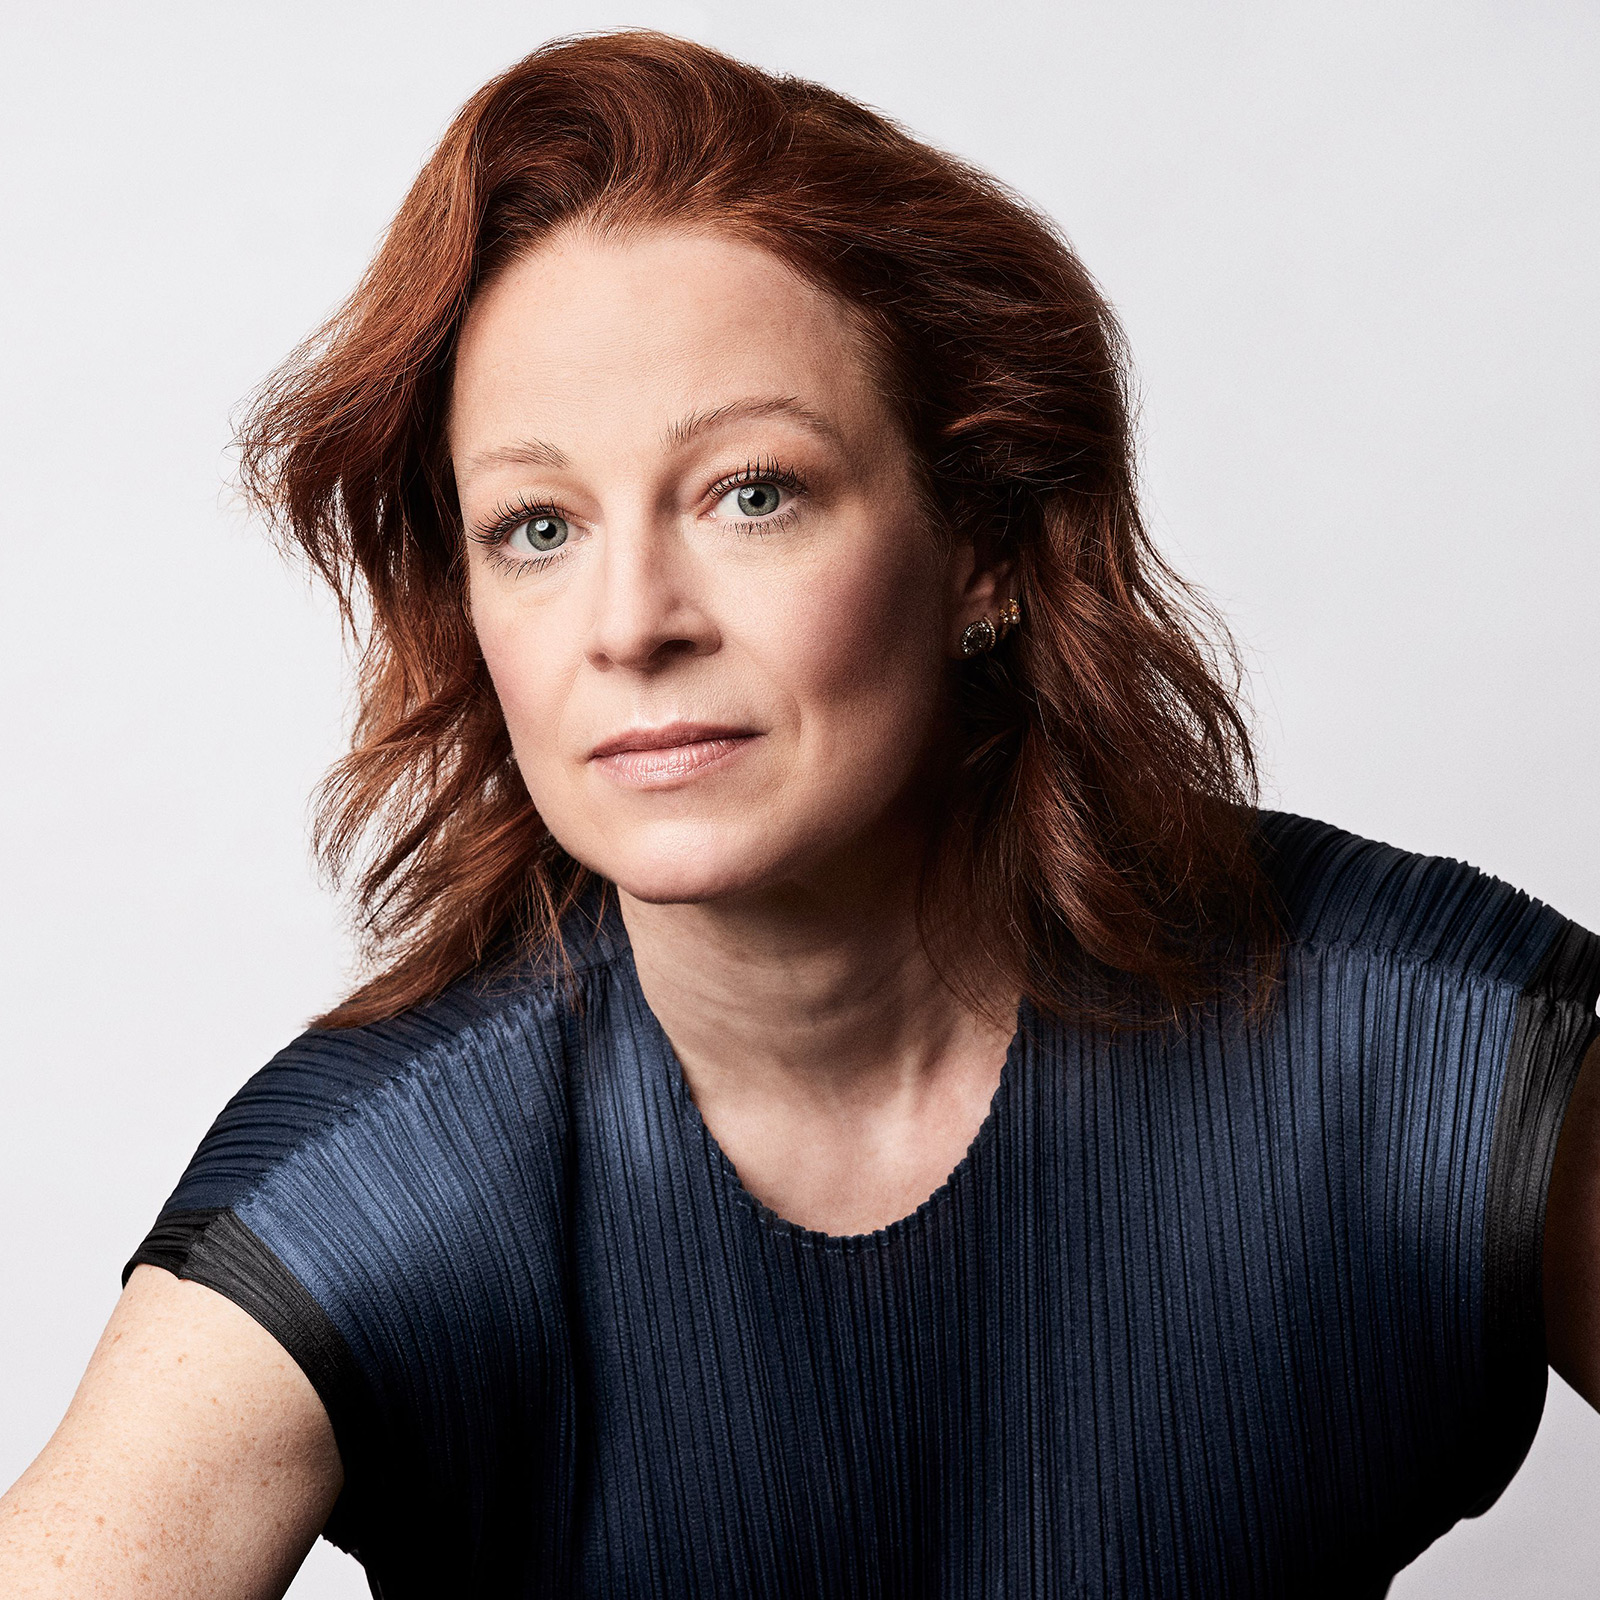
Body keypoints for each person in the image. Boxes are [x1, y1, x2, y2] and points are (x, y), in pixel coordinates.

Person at [2, 29, 1596, 1600]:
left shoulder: (1426, 1042)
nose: (632, 624)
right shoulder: (380, 1187)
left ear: (983, 542)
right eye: (538, 526)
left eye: (751, 493)